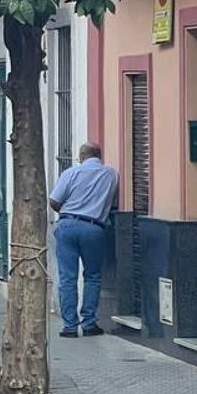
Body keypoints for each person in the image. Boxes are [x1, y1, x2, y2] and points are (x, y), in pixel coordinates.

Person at [49, 141, 118, 337]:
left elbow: (54, 200)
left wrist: (68, 212)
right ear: (99, 155)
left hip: (67, 225)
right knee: (93, 276)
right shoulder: (111, 174)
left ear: (81, 156)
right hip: (94, 227)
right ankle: (89, 323)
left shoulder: (71, 173)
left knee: (67, 278)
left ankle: (70, 326)